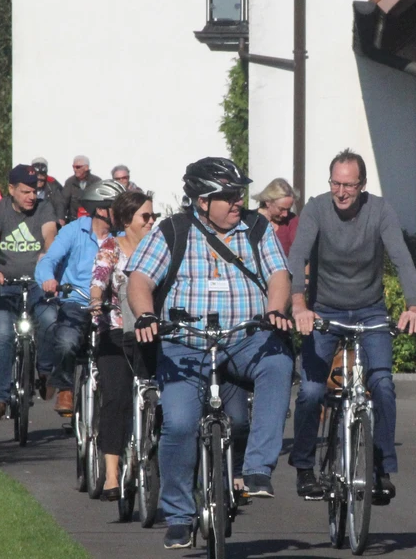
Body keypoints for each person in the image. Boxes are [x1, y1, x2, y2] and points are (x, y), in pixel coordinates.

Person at [126, 156, 295, 550]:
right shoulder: (172, 230)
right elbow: (139, 279)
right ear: (202, 200)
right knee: (180, 424)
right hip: (185, 343)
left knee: (279, 362)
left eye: (239, 194)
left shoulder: (256, 227)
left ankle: (256, 470)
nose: (238, 202)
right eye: (228, 196)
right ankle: (180, 516)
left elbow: (278, 275)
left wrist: (275, 310)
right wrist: (147, 314)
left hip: (243, 337)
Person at [287, 150, 416, 504]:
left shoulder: (379, 211)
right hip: (325, 310)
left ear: (362, 185)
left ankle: (381, 468)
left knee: (383, 385)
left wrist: (414, 305)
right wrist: (299, 305)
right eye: (336, 183)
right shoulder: (316, 208)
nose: (341, 191)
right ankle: (304, 466)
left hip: (370, 311)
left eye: (349, 184)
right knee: (312, 391)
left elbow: (402, 257)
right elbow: (298, 255)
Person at [88, 189, 158, 500]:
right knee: (115, 397)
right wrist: (95, 299)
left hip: (151, 332)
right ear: (128, 220)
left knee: (164, 395)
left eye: (153, 215)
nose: (151, 221)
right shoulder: (111, 247)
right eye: (146, 216)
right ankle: (112, 476)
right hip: (115, 333)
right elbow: (100, 275)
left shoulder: (159, 247)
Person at [35, 179, 127, 414]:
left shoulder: (123, 235)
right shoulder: (73, 230)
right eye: (118, 207)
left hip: (112, 305)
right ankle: (65, 388)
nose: (123, 213)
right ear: (101, 209)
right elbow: (50, 259)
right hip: (77, 301)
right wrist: (48, 279)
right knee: (66, 342)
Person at [0, 164, 61, 420]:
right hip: (5, 284)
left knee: (49, 320)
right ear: (11, 189)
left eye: (35, 191)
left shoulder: (44, 208)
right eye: (25, 191)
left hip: (38, 282)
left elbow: (50, 234)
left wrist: (47, 256)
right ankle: (0, 398)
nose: (31, 196)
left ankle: (46, 371)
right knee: (3, 333)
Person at [253, 177, 299, 256]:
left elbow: (301, 254)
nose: (286, 214)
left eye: (288, 209)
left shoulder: (292, 221)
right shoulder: (251, 221)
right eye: (281, 209)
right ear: (268, 202)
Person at [61, 155, 102, 222]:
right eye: (73, 167)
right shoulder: (70, 182)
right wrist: (61, 218)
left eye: (78, 167)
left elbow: (101, 203)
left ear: (86, 167)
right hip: (74, 220)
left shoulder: (97, 181)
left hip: (93, 220)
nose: (75, 169)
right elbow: (63, 202)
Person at [31, 157, 67, 224]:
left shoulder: (53, 186)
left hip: (49, 219)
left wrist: (60, 218)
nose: (40, 180)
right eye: (37, 177)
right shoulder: (26, 185)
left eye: (42, 177)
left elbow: (59, 204)